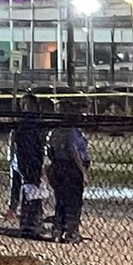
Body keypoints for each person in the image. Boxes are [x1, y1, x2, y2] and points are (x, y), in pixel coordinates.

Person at [46, 103, 90, 244]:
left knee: (61, 200)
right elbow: (73, 151)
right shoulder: (72, 132)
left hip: (58, 165)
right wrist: (82, 171)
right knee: (74, 201)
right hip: (71, 168)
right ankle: (71, 232)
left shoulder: (55, 131)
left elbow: (50, 151)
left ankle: (58, 229)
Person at [15, 93, 47, 240]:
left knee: (33, 191)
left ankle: (31, 224)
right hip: (28, 160)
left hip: (33, 160)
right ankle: (30, 225)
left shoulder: (32, 122)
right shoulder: (26, 123)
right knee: (30, 191)